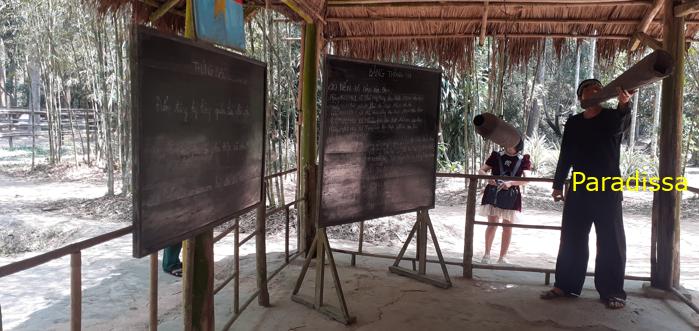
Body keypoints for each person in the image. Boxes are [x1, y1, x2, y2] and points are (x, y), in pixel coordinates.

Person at [540, 79, 634, 310]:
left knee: (611, 241)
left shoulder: (612, 117)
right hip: (580, 188)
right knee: (572, 238)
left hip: (607, 189)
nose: (595, 93)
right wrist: (558, 183)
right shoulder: (574, 122)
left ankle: (613, 291)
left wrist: (624, 105)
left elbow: (621, 125)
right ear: (581, 97)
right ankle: (565, 285)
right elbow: (567, 153)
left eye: (599, 90)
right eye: (590, 90)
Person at [478, 140, 531, 264]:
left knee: (507, 227)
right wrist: (489, 178)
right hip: (493, 192)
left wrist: (511, 183)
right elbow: (482, 170)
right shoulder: (496, 156)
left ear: (518, 145)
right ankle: (486, 255)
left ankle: (502, 257)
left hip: (511, 195)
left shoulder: (524, 159)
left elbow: (527, 179)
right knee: (492, 224)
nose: (508, 143)